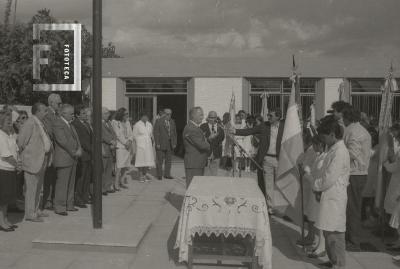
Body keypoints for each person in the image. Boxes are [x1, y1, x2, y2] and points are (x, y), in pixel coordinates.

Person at [232, 108, 284, 214]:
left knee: (280, 184)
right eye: (268, 115)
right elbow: (250, 131)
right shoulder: (264, 126)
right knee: (268, 184)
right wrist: (235, 131)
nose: (268, 117)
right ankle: (270, 207)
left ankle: (281, 206)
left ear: (278, 117)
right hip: (267, 158)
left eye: (271, 116)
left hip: (280, 159)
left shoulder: (285, 127)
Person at [314, 116, 350, 269]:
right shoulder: (333, 149)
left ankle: (340, 264)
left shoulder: (340, 152)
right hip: (328, 195)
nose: (324, 141)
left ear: (332, 135)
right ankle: (333, 260)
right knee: (328, 232)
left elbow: (330, 176)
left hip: (335, 197)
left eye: (324, 137)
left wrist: (316, 186)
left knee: (335, 234)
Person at [342, 106, 371, 250]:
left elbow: (352, 153)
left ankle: (354, 241)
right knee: (351, 208)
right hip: (358, 173)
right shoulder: (358, 129)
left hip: (355, 174)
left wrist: (337, 155)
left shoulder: (354, 131)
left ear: (347, 117)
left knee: (352, 208)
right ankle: (350, 239)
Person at [17, 103, 52, 222]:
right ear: (37, 111)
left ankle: (36, 210)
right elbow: (21, 142)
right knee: (31, 189)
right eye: (44, 111)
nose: (46, 113)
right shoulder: (30, 123)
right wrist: (26, 156)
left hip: (41, 160)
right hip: (32, 161)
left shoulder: (40, 123)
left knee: (37, 188)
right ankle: (30, 214)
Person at [53, 104, 82, 216]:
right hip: (64, 158)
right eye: (71, 113)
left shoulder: (70, 125)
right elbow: (62, 141)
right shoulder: (58, 123)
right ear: (63, 113)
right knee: (62, 184)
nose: (73, 116)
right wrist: (74, 151)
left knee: (71, 183)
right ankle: (60, 207)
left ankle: (69, 204)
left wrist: (79, 148)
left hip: (73, 158)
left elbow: (77, 139)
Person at [42, 93, 62, 210]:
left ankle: (51, 198)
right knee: (48, 176)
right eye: (59, 103)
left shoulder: (56, 114)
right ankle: (47, 200)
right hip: (51, 149)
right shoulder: (48, 114)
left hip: (57, 149)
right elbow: (50, 131)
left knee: (53, 176)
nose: (60, 105)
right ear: (51, 103)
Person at [0, 110, 20, 232]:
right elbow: (7, 156)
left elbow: (15, 151)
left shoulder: (10, 135)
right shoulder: (1, 136)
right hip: (3, 170)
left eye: (10, 122)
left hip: (10, 170)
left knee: (7, 198)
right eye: (8, 123)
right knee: (3, 198)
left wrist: (18, 163)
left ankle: (5, 219)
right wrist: (17, 165)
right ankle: (1, 222)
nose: (10, 124)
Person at [183, 107, 210, 187]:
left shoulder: (194, 127)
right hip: (194, 163)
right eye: (201, 115)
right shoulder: (191, 128)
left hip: (197, 163)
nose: (203, 117)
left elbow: (200, 142)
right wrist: (208, 143)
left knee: (197, 188)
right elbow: (201, 145)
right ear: (194, 116)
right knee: (193, 188)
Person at [71, 105, 92, 208]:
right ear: (77, 115)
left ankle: (85, 196)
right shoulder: (76, 124)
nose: (85, 115)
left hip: (89, 155)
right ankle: (78, 199)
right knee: (81, 178)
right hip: (83, 154)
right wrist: (92, 149)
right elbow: (82, 141)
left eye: (85, 113)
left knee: (87, 177)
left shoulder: (86, 124)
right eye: (83, 113)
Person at [153, 108, 177, 180]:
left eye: (170, 114)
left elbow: (175, 133)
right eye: (167, 114)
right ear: (164, 114)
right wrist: (157, 143)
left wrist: (174, 142)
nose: (169, 115)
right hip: (161, 143)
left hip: (170, 144)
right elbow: (156, 133)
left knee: (168, 160)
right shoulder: (159, 121)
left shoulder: (172, 121)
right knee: (160, 160)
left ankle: (167, 174)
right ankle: (159, 175)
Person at [112, 108, 132, 189]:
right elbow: (118, 134)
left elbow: (131, 133)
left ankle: (122, 181)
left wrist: (130, 141)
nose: (127, 115)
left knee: (125, 166)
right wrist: (125, 143)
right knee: (119, 166)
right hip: (120, 147)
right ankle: (116, 183)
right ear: (121, 114)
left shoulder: (127, 122)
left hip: (127, 147)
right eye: (126, 114)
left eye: (127, 114)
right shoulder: (115, 122)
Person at [133, 113, 156, 182]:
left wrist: (153, 141)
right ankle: (140, 176)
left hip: (148, 145)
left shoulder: (149, 124)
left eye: (147, 117)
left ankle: (145, 175)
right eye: (145, 116)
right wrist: (139, 142)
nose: (146, 118)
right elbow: (134, 135)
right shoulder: (137, 124)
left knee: (147, 161)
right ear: (142, 116)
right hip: (141, 145)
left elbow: (151, 134)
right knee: (141, 161)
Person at [200, 111, 225, 176]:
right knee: (206, 173)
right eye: (211, 117)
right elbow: (201, 139)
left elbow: (222, 138)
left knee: (214, 174)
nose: (213, 119)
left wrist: (217, 136)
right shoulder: (203, 126)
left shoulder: (220, 127)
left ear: (216, 118)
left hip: (216, 152)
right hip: (206, 153)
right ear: (208, 118)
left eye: (214, 117)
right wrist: (209, 138)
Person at [102, 108, 117, 193]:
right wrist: (111, 141)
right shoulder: (99, 123)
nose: (108, 115)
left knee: (109, 168)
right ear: (102, 114)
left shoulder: (108, 123)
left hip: (111, 148)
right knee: (103, 169)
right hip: (104, 148)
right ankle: (102, 187)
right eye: (107, 113)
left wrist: (114, 141)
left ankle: (108, 186)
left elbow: (114, 133)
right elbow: (102, 135)